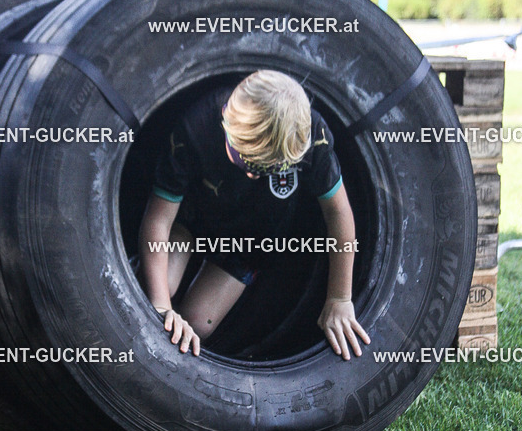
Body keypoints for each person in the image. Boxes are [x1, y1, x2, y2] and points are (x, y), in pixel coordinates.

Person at [138, 70, 370, 360]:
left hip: (250, 240)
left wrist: (339, 297)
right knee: (155, 290)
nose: (250, 172)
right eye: (243, 159)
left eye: (267, 169)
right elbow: (159, 219)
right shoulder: (196, 127)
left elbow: (338, 213)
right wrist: (161, 305)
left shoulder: (314, 137)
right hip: (193, 220)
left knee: (198, 323)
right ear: (225, 122)